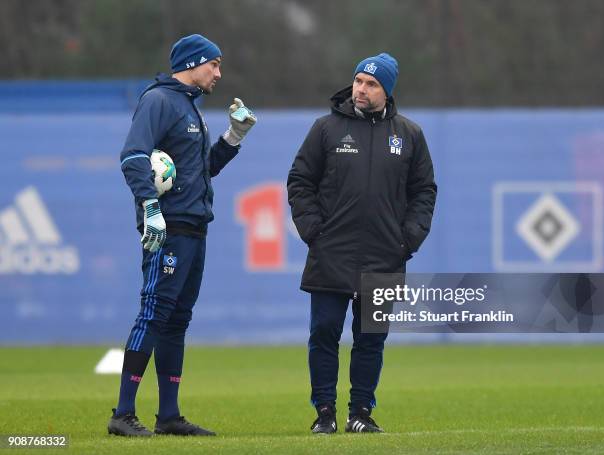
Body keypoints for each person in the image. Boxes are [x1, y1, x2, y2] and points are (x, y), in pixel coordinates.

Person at [108, 34, 256, 437]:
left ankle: (169, 416)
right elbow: (133, 156)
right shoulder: (158, 100)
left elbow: (201, 170)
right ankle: (122, 414)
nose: (219, 74)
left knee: (177, 320)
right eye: (215, 65)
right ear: (194, 62)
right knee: (155, 312)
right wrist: (150, 208)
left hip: (194, 227)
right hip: (168, 228)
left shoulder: (191, 108)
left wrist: (233, 138)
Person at [287, 53, 437, 434]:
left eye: (371, 84)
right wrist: (313, 232)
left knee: (371, 339)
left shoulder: (410, 136)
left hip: (384, 255)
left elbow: (424, 192)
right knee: (324, 333)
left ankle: (360, 413)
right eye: (358, 81)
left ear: (387, 90)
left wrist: (408, 239)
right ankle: (324, 413)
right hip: (331, 252)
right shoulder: (325, 129)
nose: (361, 89)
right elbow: (299, 181)